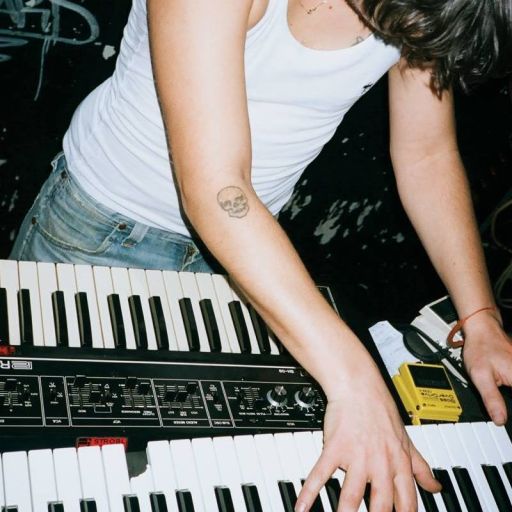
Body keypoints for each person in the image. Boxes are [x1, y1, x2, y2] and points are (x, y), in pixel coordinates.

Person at [10, 0, 512, 510]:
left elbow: (427, 155)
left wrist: (480, 316)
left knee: (178, 457)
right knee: (48, 453)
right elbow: (217, 188)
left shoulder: (427, 8)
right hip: (102, 235)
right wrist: (357, 382)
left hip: (246, 254)